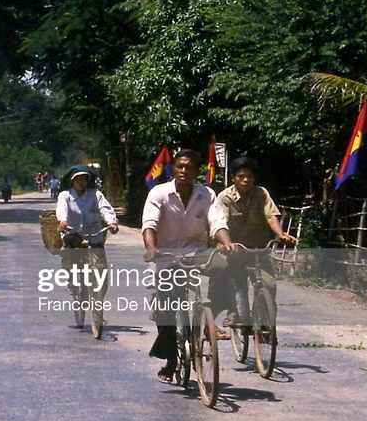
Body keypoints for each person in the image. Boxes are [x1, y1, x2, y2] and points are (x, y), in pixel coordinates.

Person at [142, 149, 234, 383]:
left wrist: (228, 243)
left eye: (189, 167)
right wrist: (152, 250)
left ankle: (208, 316)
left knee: (224, 266)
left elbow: (217, 223)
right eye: (180, 166)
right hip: (166, 255)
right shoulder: (159, 193)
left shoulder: (207, 194)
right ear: (174, 168)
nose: (184, 171)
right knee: (165, 308)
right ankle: (171, 358)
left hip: (198, 252)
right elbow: (149, 225)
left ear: (196, 171)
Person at [215, 156, 297, 329]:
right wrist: (225, 244)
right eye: (241, 176)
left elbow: (271, 216)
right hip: (235, 249)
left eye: (250, 176)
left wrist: (281, 234)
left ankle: (265, 325)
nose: (246, 180)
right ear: (233, 178)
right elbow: (220, 222)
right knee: (236, 283)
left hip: (259, 249)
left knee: (269, 285)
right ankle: (235, 312)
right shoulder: (224, 198)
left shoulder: (261, 193)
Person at [56, 165, 120, 335]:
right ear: (72, 181)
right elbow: (61, 210)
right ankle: (73, 283)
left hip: (94, 236)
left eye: (84, 179)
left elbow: (105, 210)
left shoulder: (96, 195)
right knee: (70, 261)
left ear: (88, 181)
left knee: (101, 274)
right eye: (77, 179)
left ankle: (97, 301)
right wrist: (62, 221)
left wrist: (111, 223)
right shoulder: (65, 195)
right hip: (74, 235)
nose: (81, 182)